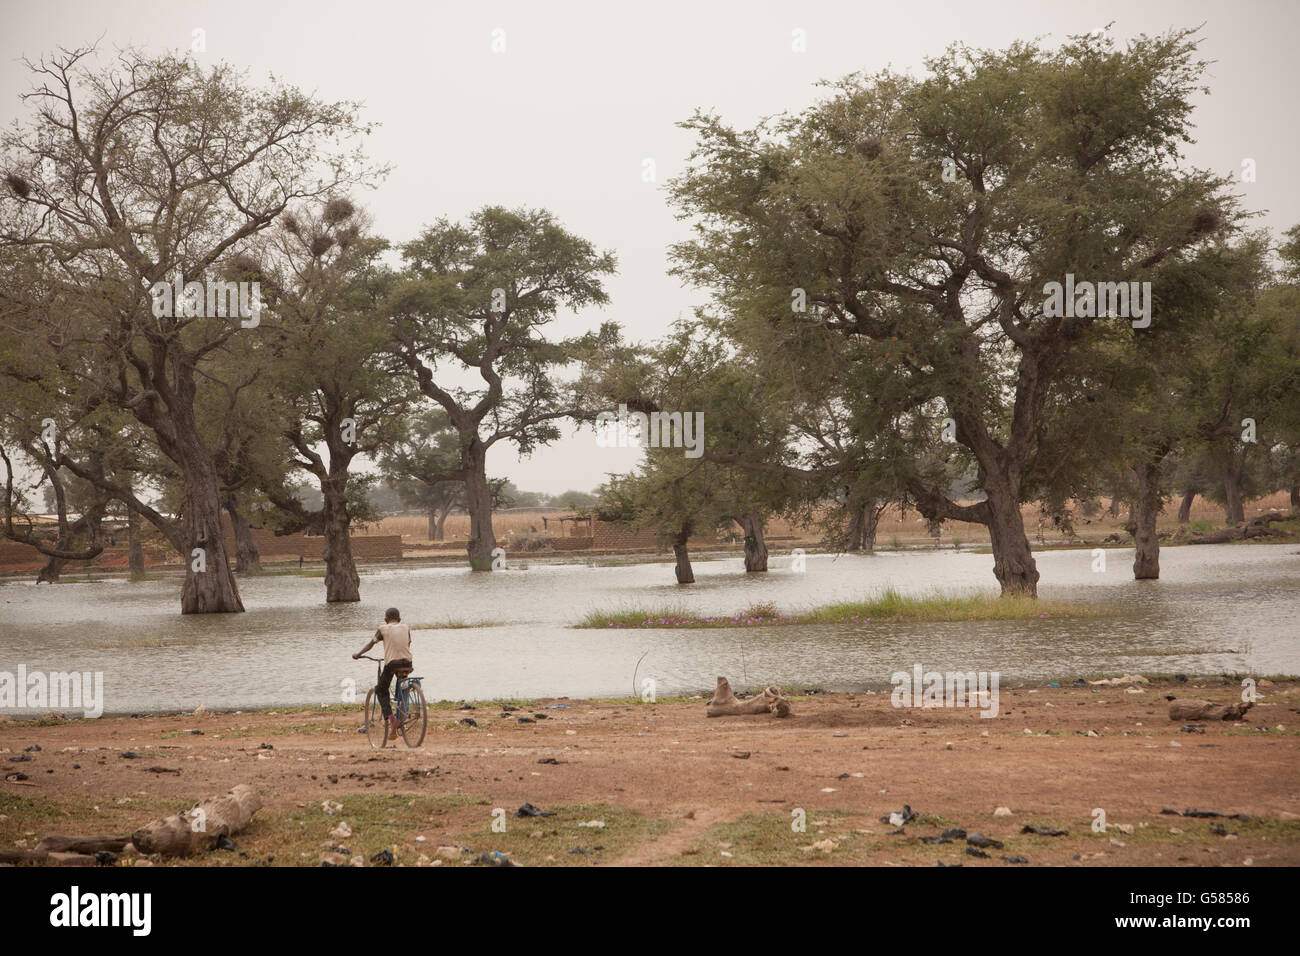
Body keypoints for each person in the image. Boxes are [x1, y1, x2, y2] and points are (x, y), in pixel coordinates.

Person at [353, 607, 413, 742]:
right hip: (408, 663)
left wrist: (358, 654)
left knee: (380, 690)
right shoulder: (406, 627)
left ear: (385, 619)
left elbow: (371, 644)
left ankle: (392, 720)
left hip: (392, 664)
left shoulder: (383, 629)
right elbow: (408, 643)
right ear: (399, 619)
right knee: (402, 685)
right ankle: (402, 713)